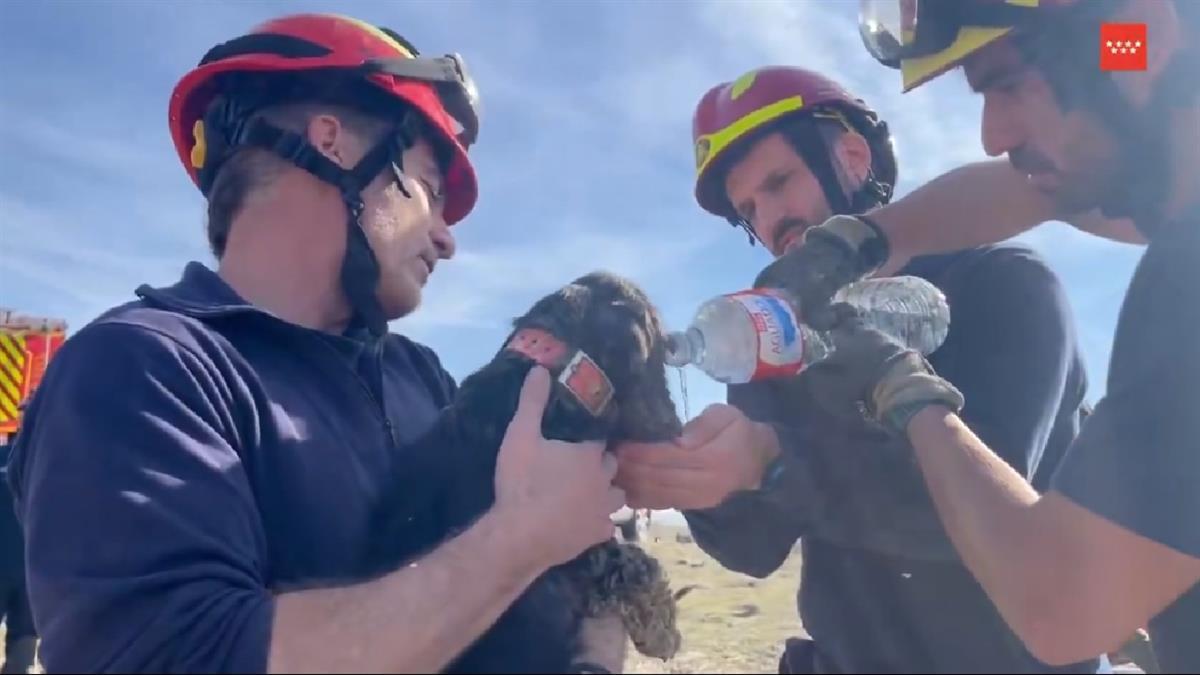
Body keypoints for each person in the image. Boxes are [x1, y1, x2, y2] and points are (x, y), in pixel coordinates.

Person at [4, 13, 623, 673]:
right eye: (430, 190)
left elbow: (559, 563)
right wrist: (516, 542)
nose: (447, 239)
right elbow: (188, 655)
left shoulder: (421, 377)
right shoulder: (140, 370)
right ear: (332, 144)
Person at [754, 0, 1200, 671]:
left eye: (1008, 83)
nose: (993, 135)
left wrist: (900, 387)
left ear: (1146, 36)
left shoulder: (1187, 273)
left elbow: (1063, 607)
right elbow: (1032, 191)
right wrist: (866, 239)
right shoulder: (1132, 71)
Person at [615, 65, 1102, 673]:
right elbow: (754, 547)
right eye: (748, 209)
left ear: (850, 158)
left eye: (779, 183)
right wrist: (694, 477)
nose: (769, 220)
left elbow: (974, 516)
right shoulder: (775, 340)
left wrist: (774, 462)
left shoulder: (1003, 284)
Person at [0, 442, 36, 674]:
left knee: (24, 640)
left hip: (20, 567)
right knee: (24, 642)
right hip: (30, 570)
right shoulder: (43, 466)